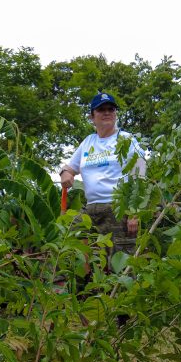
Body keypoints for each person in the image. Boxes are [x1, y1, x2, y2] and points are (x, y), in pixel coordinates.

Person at [59, 92, 146, 263]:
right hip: (91, 208)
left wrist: (134, 212)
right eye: (101, 110)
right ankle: (81, 282)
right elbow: (69, 169)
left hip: (117, 208)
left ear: (115, 114)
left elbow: (140, 174)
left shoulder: (126, 139)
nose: (107, 112)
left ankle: (120, 289)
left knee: (120, 262)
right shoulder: (88, 142)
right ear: (92, 117)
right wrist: (65, 174)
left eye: (111, 109)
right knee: (71, 235)